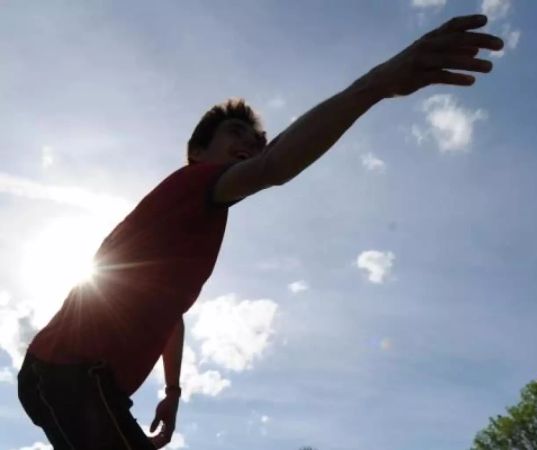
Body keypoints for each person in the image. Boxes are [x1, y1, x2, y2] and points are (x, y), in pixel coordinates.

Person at [17, 14, 503, 449]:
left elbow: (171, 314)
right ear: (197, 151)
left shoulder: (192, 229)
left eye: (254, 140)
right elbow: (276, 166)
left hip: (89, 382)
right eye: (235, 134)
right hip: (68, 371)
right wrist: (377, 84)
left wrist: (172, 391)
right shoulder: (194, 183)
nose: (248, 144)